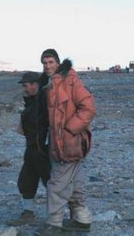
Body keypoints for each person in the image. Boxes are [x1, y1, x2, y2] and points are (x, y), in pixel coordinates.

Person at [35, 49, 96, 235]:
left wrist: (70, 129)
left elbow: (89, 107)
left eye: (51, 62)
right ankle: (82, 219)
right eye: (44, 63)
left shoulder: (70, 80)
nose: (47, 66)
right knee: (74, 181)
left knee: (57, 184)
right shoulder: (50, 83)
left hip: (69, 142)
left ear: (58, 63)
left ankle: (54, 224)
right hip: (62, 142)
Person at [9, 71, 51, 226]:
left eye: (26, 85)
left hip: (43, 150)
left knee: (53, 184)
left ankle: (59, 218)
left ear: (35, 85)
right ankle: (28, 214)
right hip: (32, 149)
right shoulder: (33, 101)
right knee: (26, 181)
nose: (24, 89)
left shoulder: (44, 101)